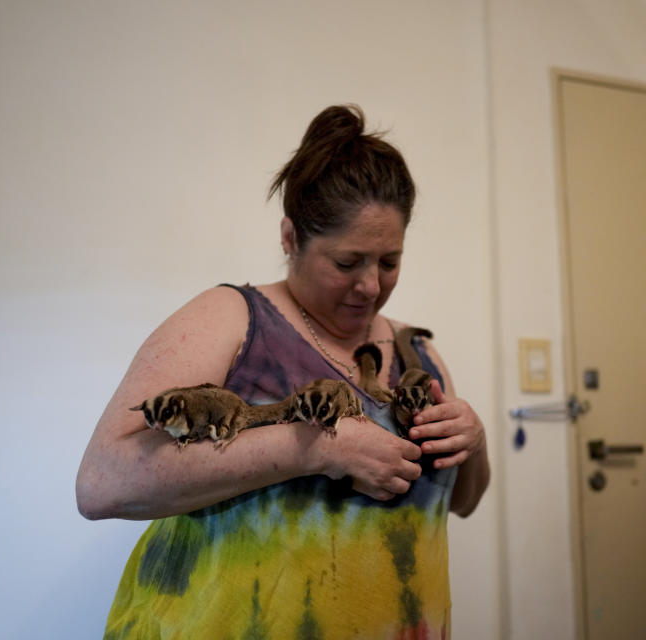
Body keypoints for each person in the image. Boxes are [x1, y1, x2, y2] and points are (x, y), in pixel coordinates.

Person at [76, 104, 490, 639]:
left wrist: (473, 445)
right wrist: (316, 449)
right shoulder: (231, 319)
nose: (370, 285)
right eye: (347, 263)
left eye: (389, 261)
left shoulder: (418, 356)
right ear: (290, 238)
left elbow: (464, 501)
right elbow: (101, 483)